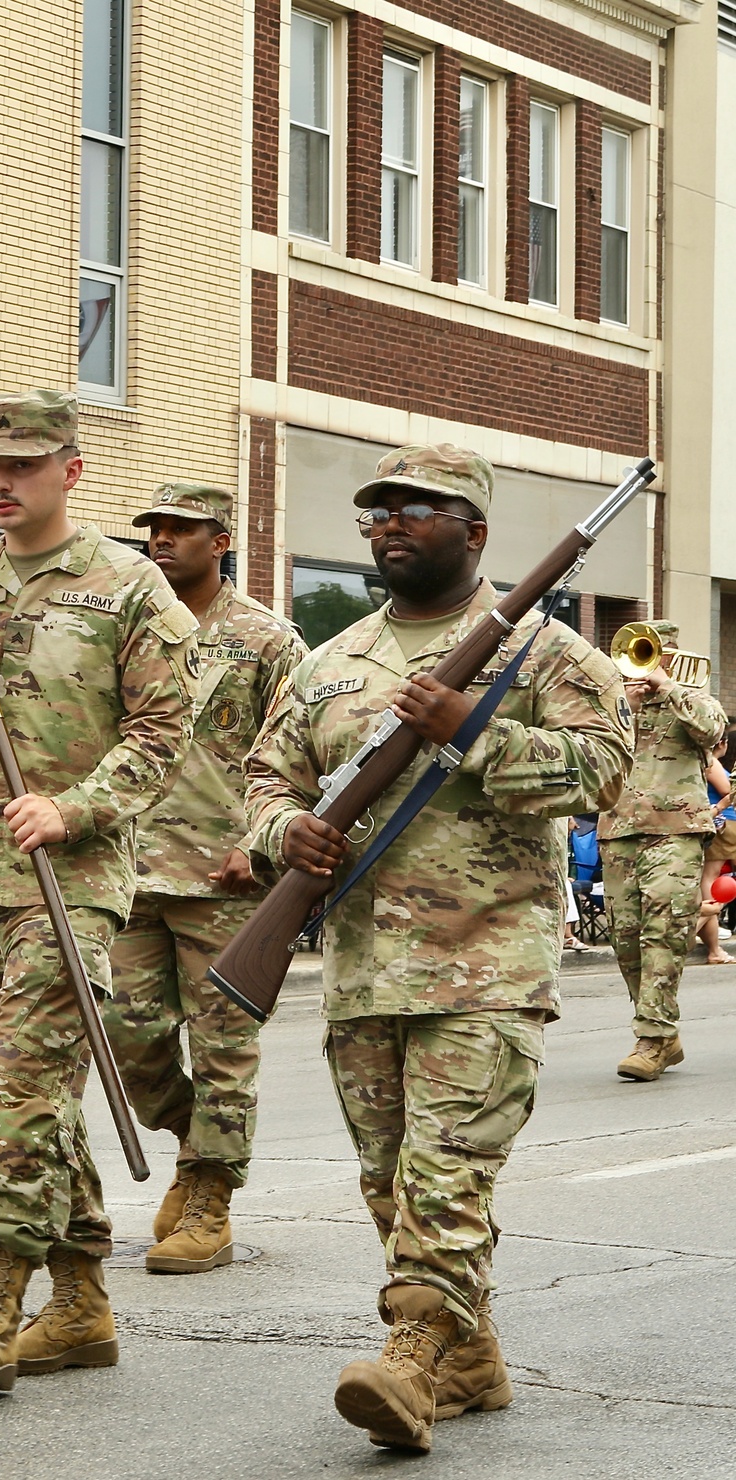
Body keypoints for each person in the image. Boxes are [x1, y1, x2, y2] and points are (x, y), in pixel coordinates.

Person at [242, 444, 633, 1454]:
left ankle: (410, 1359)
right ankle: (470, 1358)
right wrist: (284, 833)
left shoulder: (544, 655)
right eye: (379, 510)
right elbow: (265, 779)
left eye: (420, 507)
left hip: (488, 968)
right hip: (367, 973)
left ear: (476, 532)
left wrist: (475, 730)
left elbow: (602, 774)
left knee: (444, 1176)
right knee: (390, 1180)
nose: (391, 524)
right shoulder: (330, 662)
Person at [0, 389, 199, 1392]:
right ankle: (80, 1305)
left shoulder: (128, 586)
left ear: (70, 470)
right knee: (28, 1096)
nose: (0, 481)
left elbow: (162, 735)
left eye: (22, 465)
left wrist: (75, 808)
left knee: (21, 1094)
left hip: (76, 881)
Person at [104, 482, 305, 1273]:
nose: (160, 539)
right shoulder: (127, 624)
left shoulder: (267, 638)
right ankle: (197, 1143)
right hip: (127, 869)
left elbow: (297, 756)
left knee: (224, 1046)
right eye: (152, 526)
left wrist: (258, 844)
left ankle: (211, 1197)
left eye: (180, 528)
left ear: (219, 539)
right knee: (128, 1036)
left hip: (226, 877)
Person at [598, 620, 726, 1082]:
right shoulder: (614, 702)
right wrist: (621, 708)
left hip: (676, 829)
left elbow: (712, 732)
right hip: (618, 828)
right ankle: (663, 1034)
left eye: (656, 654)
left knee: (665, 931)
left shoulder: (692, 697)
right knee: (625, 938)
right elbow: (589, 748)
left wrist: (669, 688)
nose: (645, 663)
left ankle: (652, 1038)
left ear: (670, 657)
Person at [696, 733, 736, 965]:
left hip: (721, 822)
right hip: (725, 822)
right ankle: (714, 947)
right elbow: (726, 791)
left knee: (709, 879)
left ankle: (714, 943)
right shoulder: (711, 760)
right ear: (721, 743)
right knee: (710, 880)